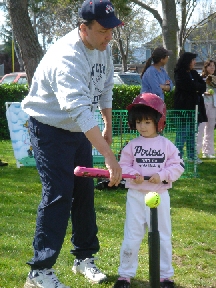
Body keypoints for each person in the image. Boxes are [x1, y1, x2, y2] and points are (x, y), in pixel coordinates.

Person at [21, 1, 123, 287]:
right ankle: (39, 272)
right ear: (83, 28)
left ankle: (84, 259)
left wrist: (107, 126)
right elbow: (77, 110)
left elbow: (105, 89)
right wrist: (108, 157)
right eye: (103, 31)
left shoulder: (104, 48)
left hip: (79, 130)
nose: (108, 37)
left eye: (112, 30)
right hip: (49, 128)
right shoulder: (66, 58)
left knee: (84, 192)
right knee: (59, 194)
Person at [113, 93, 184, 288]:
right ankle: (125, 275)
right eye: (138, 122)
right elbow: (123, 165)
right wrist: (133, 173)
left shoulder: (166, 145)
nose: (142, 126)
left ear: (158, 122)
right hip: (136, 195)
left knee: (161, 235)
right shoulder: (132, 145)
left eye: (147, 121)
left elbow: (178, 166)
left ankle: (165, 276)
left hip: (159, 195)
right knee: (132, 235)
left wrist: (161, 176)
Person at [174, 52, 207, 163]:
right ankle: (177, 157)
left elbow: (203, 86)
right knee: (182, 133)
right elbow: (188, 86)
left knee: (192, 134)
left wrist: (196, 88)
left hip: (195, 109)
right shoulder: (180, 73)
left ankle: (192, 156)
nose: (195, 62)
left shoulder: (193, 73)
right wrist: (196, 88)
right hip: (184, 109)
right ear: (187, 61)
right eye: (193, 60)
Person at [197, 60, 216, 158]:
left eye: (213, 66)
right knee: (200, 128)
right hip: (203, 104)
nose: (212, 68)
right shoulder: (201, 78)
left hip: (213, 105)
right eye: (210, 66)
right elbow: (198, 90)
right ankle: (196, 151)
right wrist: (205, 93)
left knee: (210, 128)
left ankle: (208, 151)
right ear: (205, 67)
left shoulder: (215, 79)